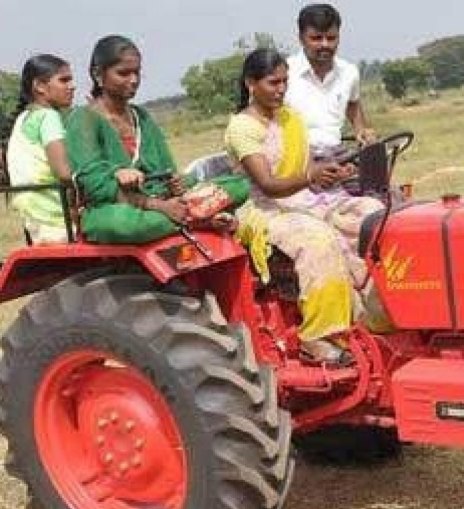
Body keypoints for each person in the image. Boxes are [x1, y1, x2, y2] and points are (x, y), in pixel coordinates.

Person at [226, 48, 360, 364]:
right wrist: (311, 177)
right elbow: (268, 184)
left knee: (365, 217)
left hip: (302, 199)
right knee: (318, 240)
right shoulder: (242, 128)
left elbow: (305, 165)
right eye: (273, 82)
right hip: (261, 209)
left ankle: (367, 316)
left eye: (285, 81)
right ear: (250, 83)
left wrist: (331, 172)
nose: (281, 89)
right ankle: (316, 336)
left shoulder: (290, 117)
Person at [66, 35, 246, 244]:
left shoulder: (141, 116)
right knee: (128, 224)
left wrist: (176, 183)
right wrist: (156, 204)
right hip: (116, 208)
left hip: (163, 199)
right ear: (98, 74)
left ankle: (187, 214)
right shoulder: (83, 119)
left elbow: (167, 169)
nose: (133, 80)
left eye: (137, 72)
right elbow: (94, 186)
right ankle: (196, 217)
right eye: (123, 73)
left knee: (239, 185)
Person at [285, 3, 384, 250]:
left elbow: (353, 105)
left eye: (331, 38)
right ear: (301, 38)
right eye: (316, 38)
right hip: (298, 159)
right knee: (334, 220)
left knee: (387, 201)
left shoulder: (349, 72)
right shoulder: (283, 74)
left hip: (340, 154)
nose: (324, 45)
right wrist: (305, 167)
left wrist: (362, 129)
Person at [3, 54, 76, 243]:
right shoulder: (48, 117)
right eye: (64, 80)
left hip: (35, 218)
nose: (72, 86)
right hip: (56, 218)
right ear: (40, 86)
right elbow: (65, 173)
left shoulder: (23, 118)